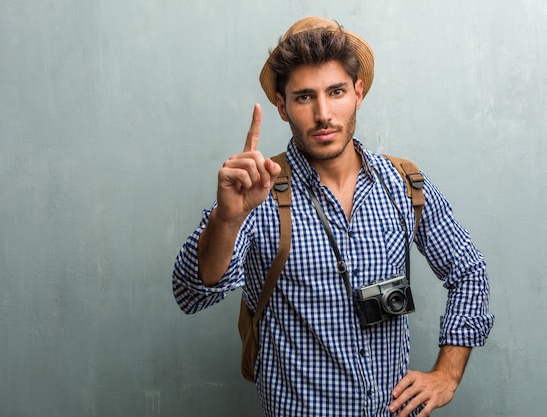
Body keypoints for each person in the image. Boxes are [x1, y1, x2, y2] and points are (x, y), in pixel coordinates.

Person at [172, 16, 494, 417]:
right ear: (282, 106)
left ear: (358, 93)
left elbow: (469, 271)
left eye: (336, 91)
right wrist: (226, 219)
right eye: (304, 97)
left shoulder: (403, 183)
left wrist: (448, 373)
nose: (323, 113)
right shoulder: (258, 191)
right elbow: (192, 294)